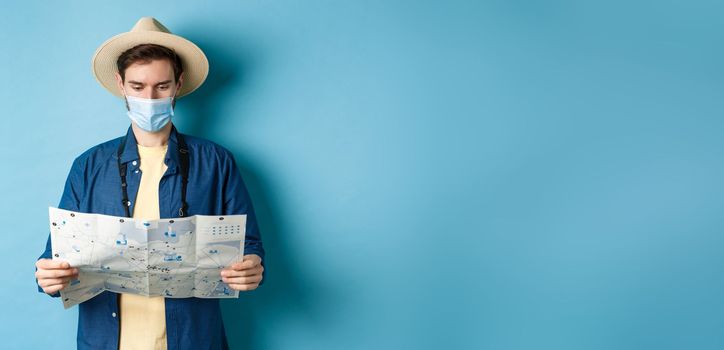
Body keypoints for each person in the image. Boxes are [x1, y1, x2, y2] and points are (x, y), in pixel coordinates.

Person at [34, 17, 265, 350]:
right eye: (138, 87)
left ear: (178, 84)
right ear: (121, 84)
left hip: (195, 340)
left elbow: (251, 249)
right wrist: (48, 277)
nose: (150, 98)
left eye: (162, 86)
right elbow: (53, 260)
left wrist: (252, 268)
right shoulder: (88, 166)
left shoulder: (217, 162)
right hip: (104, 341)